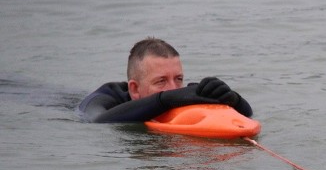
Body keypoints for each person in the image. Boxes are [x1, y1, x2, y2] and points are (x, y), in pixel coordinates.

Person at [77, 37, 252, 122]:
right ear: (135, 89)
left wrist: (232, 98)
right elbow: (97, 120)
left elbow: (248, 115)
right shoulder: (103, 99)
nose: (173, 89)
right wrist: (165, 100)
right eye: (161, 81)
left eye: (178, 79)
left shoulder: (180, 95)